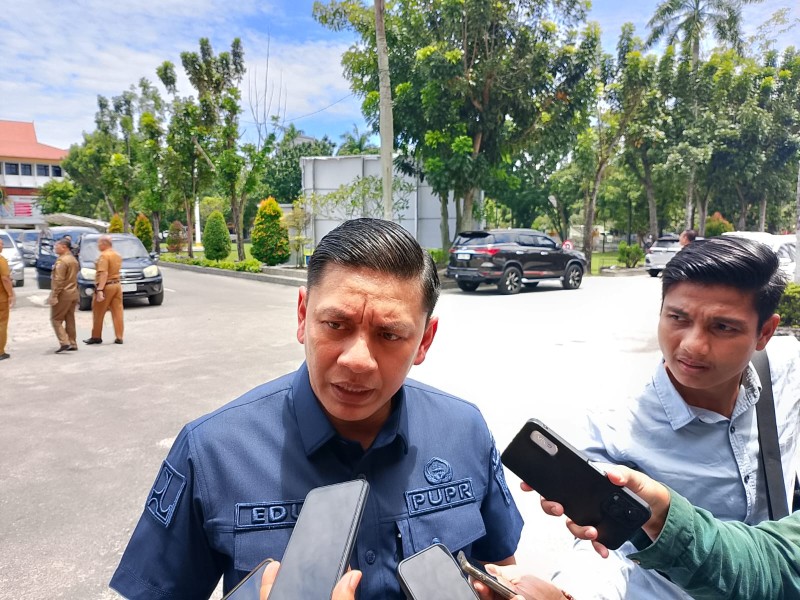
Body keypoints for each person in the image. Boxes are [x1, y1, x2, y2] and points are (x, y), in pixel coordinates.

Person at [109, 218, 523, 599]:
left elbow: (501, 572)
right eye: (336, 325)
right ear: (303, 315)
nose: (357, 360)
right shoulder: (213, 451)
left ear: (424, 341)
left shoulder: (464, 430)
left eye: (389, 335)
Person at [547, 235, 800, 599]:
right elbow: (603, 549)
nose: (693, 345)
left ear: (765, 332)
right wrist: (567, 593)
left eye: (723, 327)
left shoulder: (787, 372)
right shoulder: (617, 424)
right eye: (678, 318)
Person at [83, 234, 123, 345]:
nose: (98, 246)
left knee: (98, 312)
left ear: (104, 244)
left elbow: (104, 273)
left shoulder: (104, 256)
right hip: (117, 285)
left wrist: (100, 290)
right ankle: (119, 336)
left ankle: (96, 336)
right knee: (117, 312)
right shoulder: (117, 255)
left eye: (99, 243)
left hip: (107, 286)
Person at [49, 237, 80, 353]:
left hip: (64, 294)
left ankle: (64, 342)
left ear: (64, 247)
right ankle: (72, 342)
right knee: (69, 318)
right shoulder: (73, 259)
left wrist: (54, 295)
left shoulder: (62, 261)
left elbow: (58, 280)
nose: (55, 248)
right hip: (73, 292)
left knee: (56, 319)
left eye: (57, 246)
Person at [0, 235, 15, 360]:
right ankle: (0, 351)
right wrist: (10, 294)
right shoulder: (1, 261)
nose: (2, 246)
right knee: (2, 324)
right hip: (1, 298)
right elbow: (5, 278)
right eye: (0, 244)